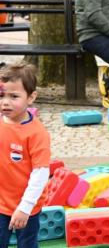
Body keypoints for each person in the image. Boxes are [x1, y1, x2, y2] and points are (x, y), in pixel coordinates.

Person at [0, 62, 50, 247]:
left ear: (31, 97)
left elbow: (41, 173)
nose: (5, 102)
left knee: (27, 244)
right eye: (1, 95)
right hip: (1, 202)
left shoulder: (36, 133)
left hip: (26, 205)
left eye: (14, 96)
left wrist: (25, 207)